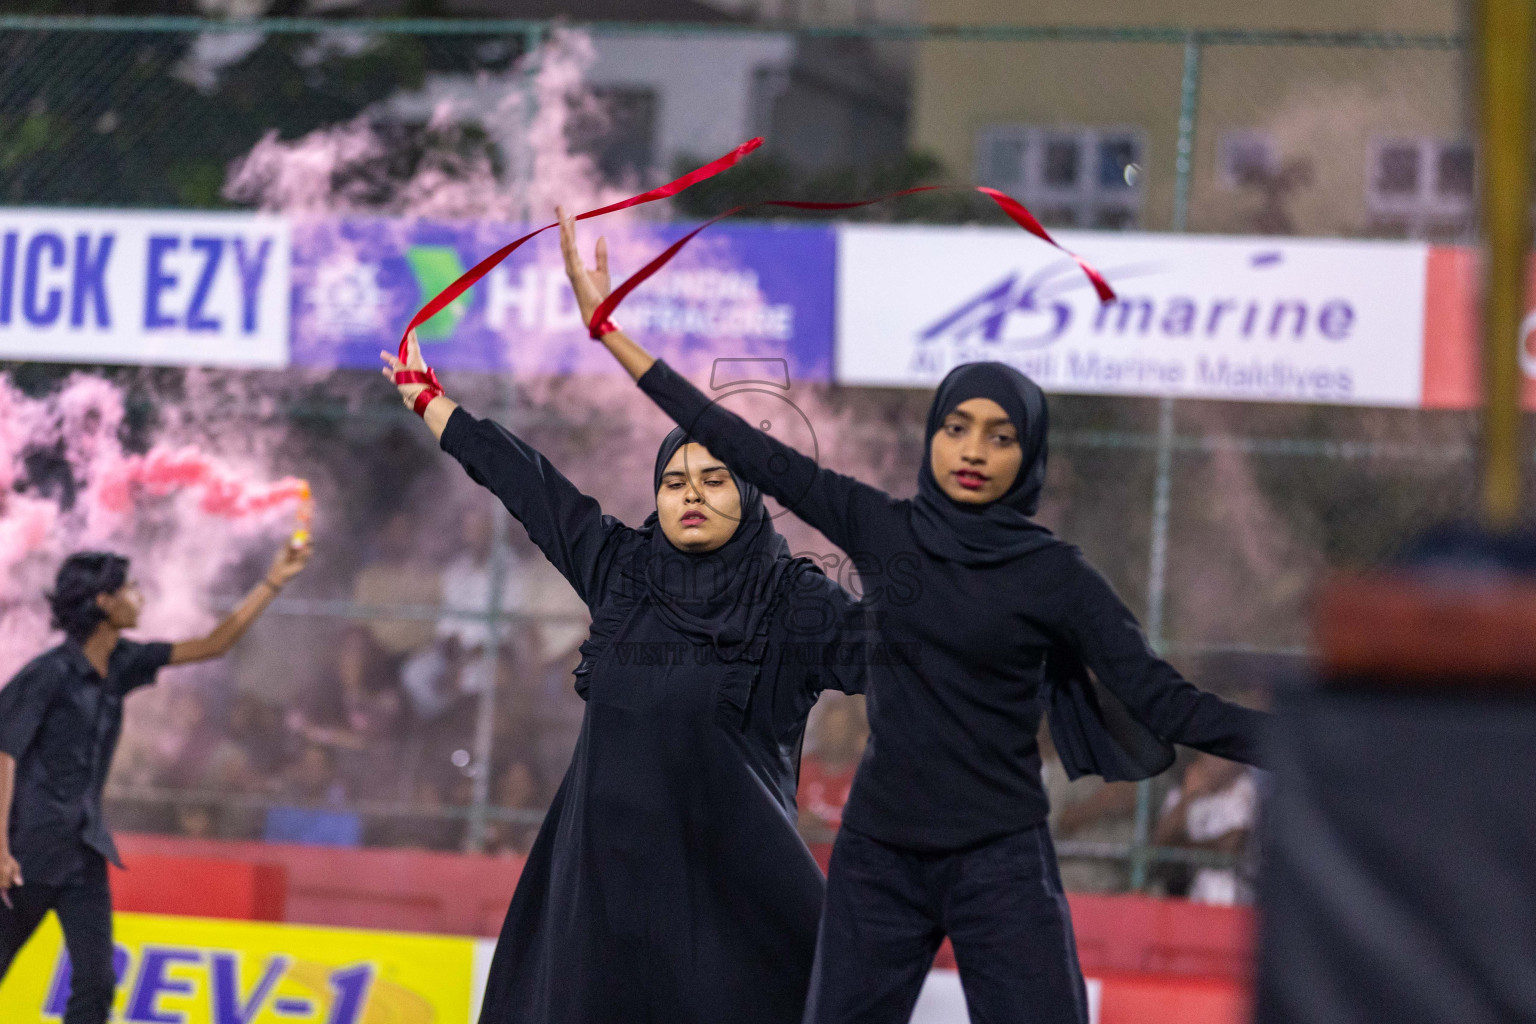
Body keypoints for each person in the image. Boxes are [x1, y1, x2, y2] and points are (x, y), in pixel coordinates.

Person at [557, 208, 1271, 1024]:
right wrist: (612, 333)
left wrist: (1320, 741)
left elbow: (1165, 703)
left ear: (1026, 457)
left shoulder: (1053, 576)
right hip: (879, 858)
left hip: (1000, 856)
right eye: (958, 427)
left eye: (1001, 437)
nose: (974, 449)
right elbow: (744, 445)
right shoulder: (880, 527)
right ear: (934, 437)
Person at [380, 334, 868, 1024]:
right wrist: (435, 405)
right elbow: (533, 488)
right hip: (604, 895)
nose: (689, 494)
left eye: (714, 478)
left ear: (751, 493)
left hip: (726, 900)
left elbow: (896, 658)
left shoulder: (793, 601)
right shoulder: (622, 570)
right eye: (673, 482)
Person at [0, 541, 311, 1024]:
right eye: (129, 588)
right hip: (28, 851)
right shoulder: (48, 675)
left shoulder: (121, 663)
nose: (138, 596)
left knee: (97, 983)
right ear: (103, 602)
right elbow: (3, 752)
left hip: (84, 850)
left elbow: (214, 644)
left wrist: (273, 581)